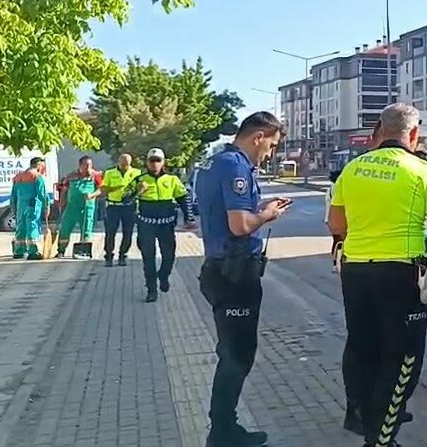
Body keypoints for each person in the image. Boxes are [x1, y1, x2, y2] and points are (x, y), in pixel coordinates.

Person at [328, 103, 427, 447]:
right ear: (413, 133)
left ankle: (363, 418)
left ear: (381, 129)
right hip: (400, 273)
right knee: (403, 358)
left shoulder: (354, 168)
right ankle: (381, 437)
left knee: (362, 346)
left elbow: (336, 224)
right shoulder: (422, 171)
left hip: (355, 270)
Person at [196, 111, 290, 447]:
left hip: (220, 267)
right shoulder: (236, 167)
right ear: (258, 137)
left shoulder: (215, 162)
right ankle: (222, 431)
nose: (271, 153)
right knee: (237, 355)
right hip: (235, 274)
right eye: (271, 145)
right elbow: (239, 226)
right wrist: (267, 214)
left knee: (233, 352)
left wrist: (258, 208)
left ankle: (224, 426)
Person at [136, 148, 189, 303]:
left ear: (163, 162)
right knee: (148, 258)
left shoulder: (172, 179)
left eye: (158, 160)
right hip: (146, 225)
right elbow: (125, 199)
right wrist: (138, 192)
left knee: (169, 256)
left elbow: (183, 198)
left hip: (166, 225)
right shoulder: (139, 180)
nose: (155, 164)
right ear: (147, 163)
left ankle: (164, 275)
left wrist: (189, 218)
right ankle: (151, 290)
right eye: (151, 160)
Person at [56, 156, 102, 259]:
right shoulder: (71, 176)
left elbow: (100, 189)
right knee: (65, 229)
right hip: (71, 208)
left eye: (90, 165)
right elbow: (64, 191)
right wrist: (62, 205)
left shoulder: (95, 176)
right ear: (80, 165)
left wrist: (92, 195)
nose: (88, 168)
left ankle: (83, 251)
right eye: (86, 165)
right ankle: (61, 250)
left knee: (86, 230)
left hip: (87, 208)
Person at [101, 153, 141, 267]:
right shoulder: (110, 173)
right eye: (122, 164)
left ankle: (123, 255)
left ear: (130, 163)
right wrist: (114, 188)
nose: (124, 167)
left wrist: (134, 195)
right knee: (110, 232)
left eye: (126, 165)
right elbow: (104, 188)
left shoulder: (137, 173)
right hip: (113, 206)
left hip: (129, 207)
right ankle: (109, 256)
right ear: (118, 162)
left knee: (128, 232)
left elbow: (140, 188)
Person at [10, 157, 51, 260]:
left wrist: (14, 207)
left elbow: (13, 196)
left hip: (20, 207)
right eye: (42, 167)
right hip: (33, 206)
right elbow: (42, 195)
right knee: (32, 226)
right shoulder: (37, 177)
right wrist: (47, 206)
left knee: (21, 227)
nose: (43, 169)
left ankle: (19, 251)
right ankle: (33, 251)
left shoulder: (18, 177)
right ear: (38, 166)